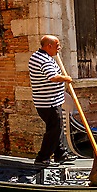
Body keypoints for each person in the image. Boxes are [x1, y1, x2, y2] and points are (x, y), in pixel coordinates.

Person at [29, 35, 76, 166]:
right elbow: (53, 77)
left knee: (57, 128)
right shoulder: (43, 59)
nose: (59, 48)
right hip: (48, 103)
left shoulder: (41, 56)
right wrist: (66, 79)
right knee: (54, 130)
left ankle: (61, 154)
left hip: (51, 101)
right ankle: (42, 158)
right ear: (49, 46)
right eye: (57, 46)